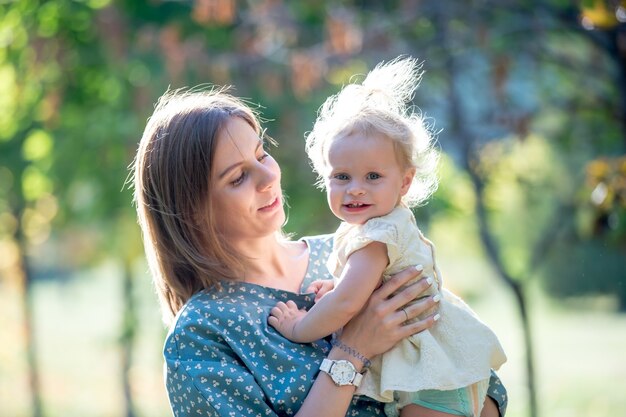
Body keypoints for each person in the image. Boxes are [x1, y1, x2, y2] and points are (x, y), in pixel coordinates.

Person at [131, 82, 508, 416]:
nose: (268, 177)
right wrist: (352, 350)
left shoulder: (356, 252)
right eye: (238, 177)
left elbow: (470, 376)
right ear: (192, 211)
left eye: (262, 155)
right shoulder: (203, 334)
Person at [268, 57, 507, 417]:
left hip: (432, 383)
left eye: (373, 177)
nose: (355, 190)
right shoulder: (378, 228)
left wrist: (299, 326)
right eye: (342, 177)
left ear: (405, 182)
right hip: (439, 373)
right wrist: (336, 288)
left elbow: (349, 303)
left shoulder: (378, 236)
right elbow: (365, 290)